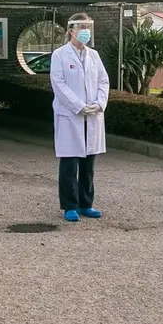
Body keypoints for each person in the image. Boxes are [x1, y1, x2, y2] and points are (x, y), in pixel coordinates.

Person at [49, 13, 110, 222]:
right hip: (70, 115)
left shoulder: (94, 55)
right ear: (71, 30)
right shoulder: (60, 55)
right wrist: (78, 106)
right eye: (82, 27)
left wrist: (99, 104)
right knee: (69, 164)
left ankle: (86, 203)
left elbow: (103, 81)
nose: (85, 31)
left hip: (91, 116)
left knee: (88, 164)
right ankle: (70, 206)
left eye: (88, 27)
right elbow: (59, 84)